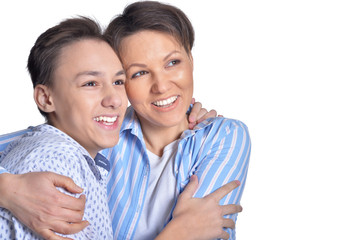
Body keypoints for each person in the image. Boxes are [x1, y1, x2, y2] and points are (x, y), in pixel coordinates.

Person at [0, 1, 250, 239]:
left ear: (191, 62)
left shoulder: (224, 136)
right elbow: (40, 143)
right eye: (139, 73)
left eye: (173, 62)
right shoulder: (97, 133)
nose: (162, 86)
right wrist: (8, 188)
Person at [0, 16, 126, 239]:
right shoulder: (55, 162)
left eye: (118, 82)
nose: (114, 99)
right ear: (46, 98)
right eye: (90, 83)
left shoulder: (69, 154)